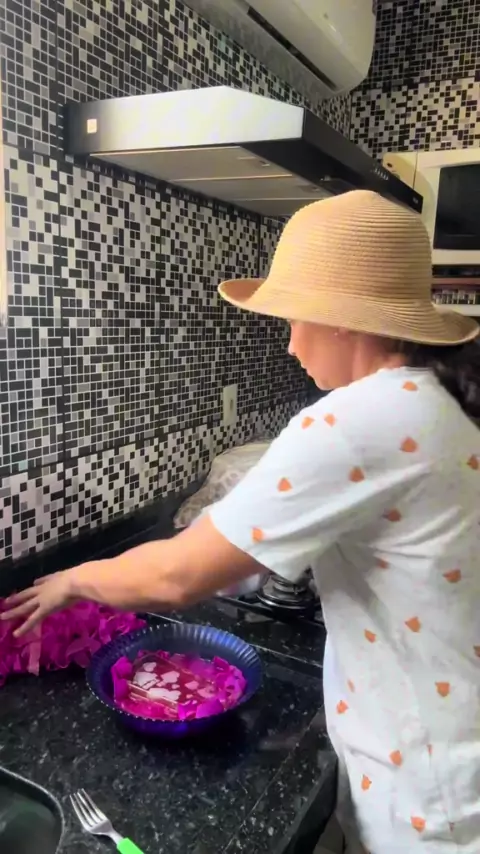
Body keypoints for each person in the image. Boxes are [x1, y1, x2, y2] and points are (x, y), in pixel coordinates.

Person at [3, 190, 480, 854]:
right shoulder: (430, 402)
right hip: (447, 750)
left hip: (430, 792)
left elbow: (176, 578)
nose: (289, 343)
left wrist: (72, 579)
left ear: (341, 321)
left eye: (293, 319)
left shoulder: (358, 419)